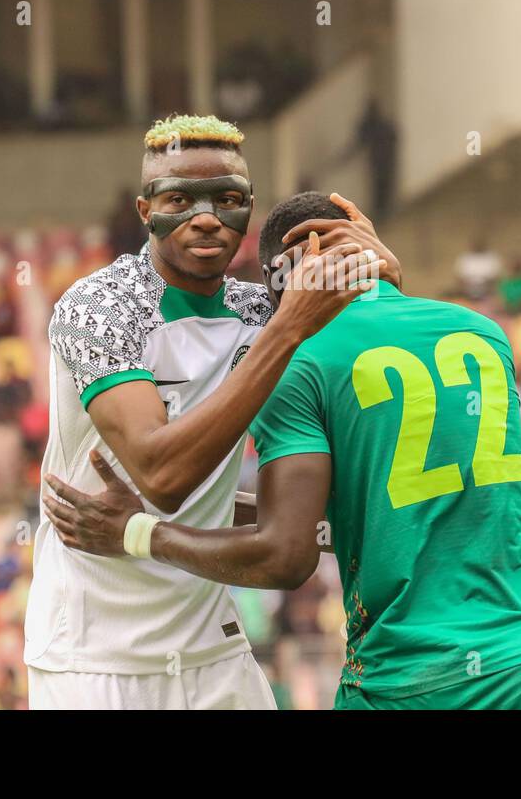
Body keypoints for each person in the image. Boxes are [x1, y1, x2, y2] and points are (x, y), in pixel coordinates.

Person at [43, 191, 521, 710]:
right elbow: (378, 504)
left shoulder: (298, 360)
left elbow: (285, 553)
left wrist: (137, 533)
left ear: (285, 281)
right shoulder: (484, 333)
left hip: (408, 676)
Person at [24, 116, 399, 710]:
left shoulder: (261, 313)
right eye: (180, 199)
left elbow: (392, 339)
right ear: (146, 211)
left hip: (214, 650)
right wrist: (289, 328)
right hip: (94, 659)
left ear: (248, 210)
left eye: (227, 200)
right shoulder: (99, 307)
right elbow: (163, 478)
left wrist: (385, 277)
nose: (206, 218)